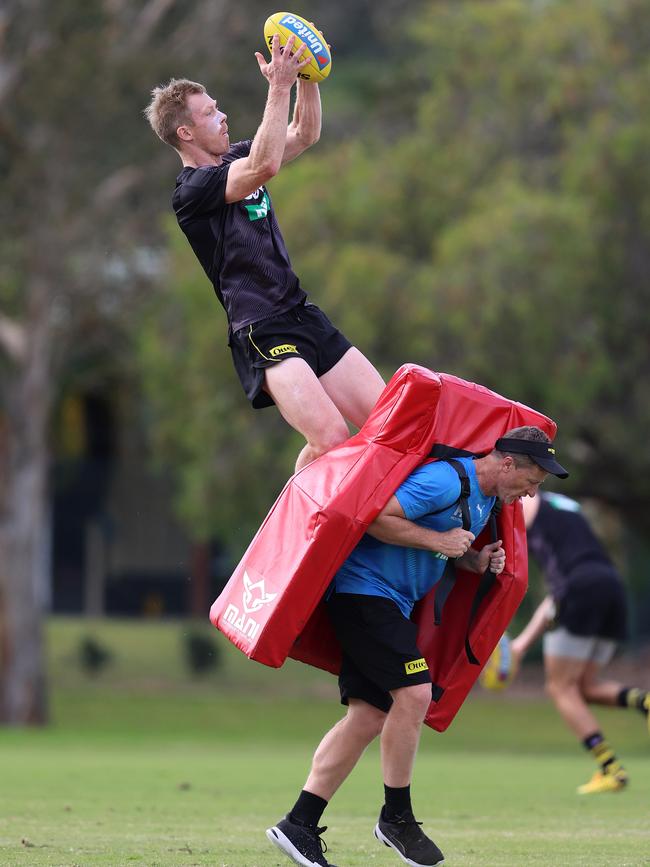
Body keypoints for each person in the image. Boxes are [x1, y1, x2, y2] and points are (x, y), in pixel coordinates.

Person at [267, 426, 569, 867]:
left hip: (390, 603)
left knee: (368, 716)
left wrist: (471, 560)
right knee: (414, 693)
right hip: (363, 594)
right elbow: (375, 516)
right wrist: (439, 542)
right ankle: (397, 818)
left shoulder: (486, 500)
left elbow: (438, 543)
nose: (529, 494)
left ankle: (299, 823)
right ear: (507, 463)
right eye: (531, 482)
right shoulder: (446, 479)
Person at [144, 35, 385, 472]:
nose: (222, 116)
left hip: (301, 312)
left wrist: (307, 74)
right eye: (210, 113)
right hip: (262, 331)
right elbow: (265, 166)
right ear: (185, 132)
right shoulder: (192, 192)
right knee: (332, 438)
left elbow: (304, 133)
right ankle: (297, 523)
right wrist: (278, 86)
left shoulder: (235, 157)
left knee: (390, 424)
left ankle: (304, 510)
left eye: (217, 107)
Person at [511, 491, 650, 795]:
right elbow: (556, 594)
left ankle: (611, 768)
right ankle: (645, 702)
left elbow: (562, 589)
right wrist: (522, 644)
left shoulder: (524, 497)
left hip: (580, 589)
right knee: (584, 686)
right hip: (611, 587)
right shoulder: (566, 505)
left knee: (559, 687)